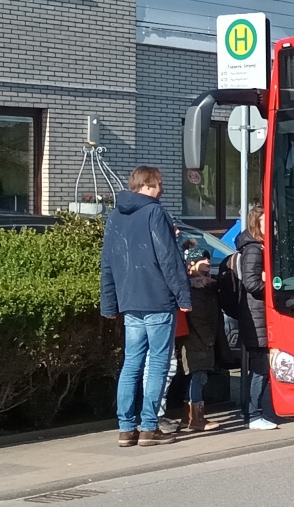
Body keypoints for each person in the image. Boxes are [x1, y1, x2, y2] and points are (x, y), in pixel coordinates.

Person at [100, 166, 190, 447]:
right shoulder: (155, 213)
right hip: (158, 300)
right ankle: (149, 426)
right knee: (158, 363)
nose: (162, 189)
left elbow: (108, 263)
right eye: (159, 184)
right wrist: (184, 296)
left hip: (130, 301)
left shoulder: (114, 216)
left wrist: (109, 302)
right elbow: (169, 259)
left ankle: (126, 429)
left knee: (131, 363)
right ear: (148, 184)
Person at [236, 205, 279, 430]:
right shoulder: (254, 249)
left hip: (260, 314)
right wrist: (272, 285)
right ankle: (254, 414)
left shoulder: (261, 247)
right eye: (266, 222)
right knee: (261, 367)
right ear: (256, 223)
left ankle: (253, 410)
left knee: (262, 366)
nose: (272, 226)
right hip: (257, 315)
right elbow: (251, 283)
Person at [181, 247, 223, 432]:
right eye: (202, 259)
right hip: (196, 341)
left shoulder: (207, 287)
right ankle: (194, 418)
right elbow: (197, 317)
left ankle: (192, 417)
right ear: (191, 264)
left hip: (202, 340)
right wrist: (208, 339)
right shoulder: (194, 288)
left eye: (208, 258)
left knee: (200, 376)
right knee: (197, 376)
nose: (207, 261)